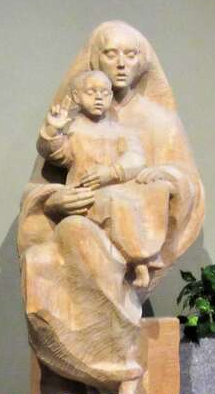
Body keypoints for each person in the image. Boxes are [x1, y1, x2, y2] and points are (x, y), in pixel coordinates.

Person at [18, 21, 205, 394]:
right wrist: (54, 199)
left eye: (130, 54)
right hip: (79, 222)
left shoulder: (159, 121)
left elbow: (188, 183)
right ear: (93, 59)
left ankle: (115, 367)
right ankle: (89, 368)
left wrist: (159, 178)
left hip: (128, 223)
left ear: (144, 62)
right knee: (47, 255)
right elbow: (45, 180)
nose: (120, 64)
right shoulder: (76, 124)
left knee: (90, 228)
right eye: (110, 53)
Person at [37, 70, 169, 288]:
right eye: (91, 92)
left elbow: (136, 158)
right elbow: (56, 154)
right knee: (112, 202)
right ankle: (136, 262)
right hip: (84, 197)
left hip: (115, 192)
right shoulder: (74, 131)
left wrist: (112, 171)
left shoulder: (120, 131)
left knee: (123, 202)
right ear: (77, 97)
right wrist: (53, 130)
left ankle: (139, 261)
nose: (99, 97)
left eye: (105, 93)